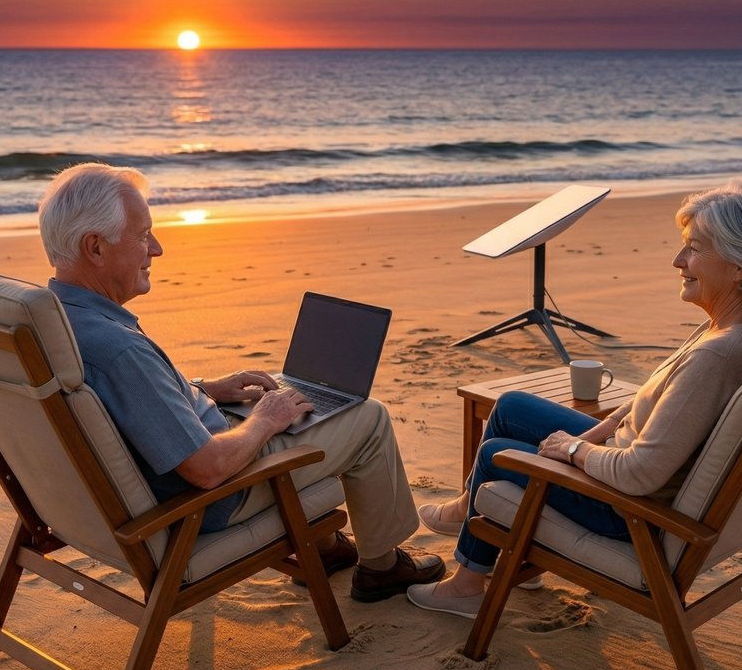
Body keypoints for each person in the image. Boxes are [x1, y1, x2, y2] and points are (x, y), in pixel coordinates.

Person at [38, 163, 444, 602]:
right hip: (207, 501)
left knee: (285, 408)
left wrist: (204, 390)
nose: (156, 249)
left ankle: (324, 549)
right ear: (95, 248)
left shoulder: (50, 321)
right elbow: (207, 469)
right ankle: (382, 568)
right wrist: (265, 421)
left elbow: (122, 406)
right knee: (367, 417)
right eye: (142, 235)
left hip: (128, 489)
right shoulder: (117, 348)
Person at [406, 184, 742, 616]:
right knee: (513, 406)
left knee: (498, 455)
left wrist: (574, 451)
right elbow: (659, 410)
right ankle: (481, 519)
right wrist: (596, 432)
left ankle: (465, 586)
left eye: (695, 250)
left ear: (740, 268)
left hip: (629, 512)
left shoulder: (715, 356)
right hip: (628, 464)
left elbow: (640, 474)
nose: (678, 261)